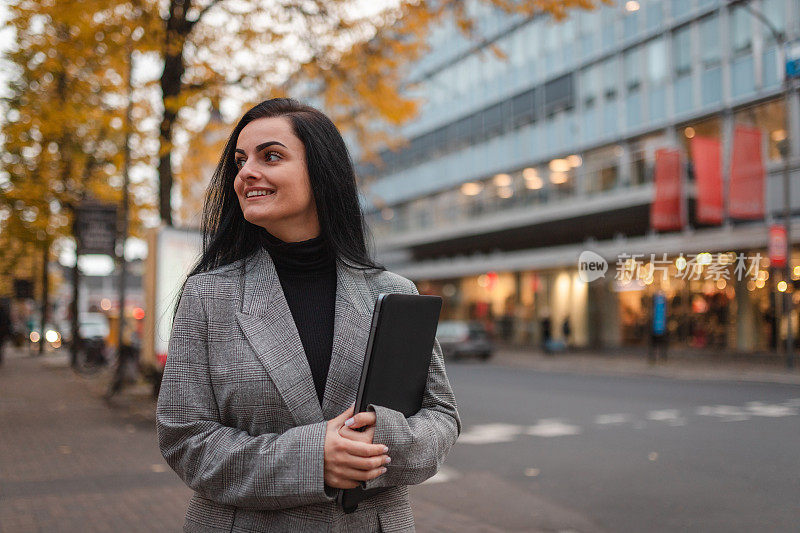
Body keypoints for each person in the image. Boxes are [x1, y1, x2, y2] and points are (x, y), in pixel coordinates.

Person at [156, 98, 461, 532]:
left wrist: (381, 441)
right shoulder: (209, 295)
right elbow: (184, 439)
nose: (246, 173)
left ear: (321, 173)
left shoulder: (393, 293)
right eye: (240, 161)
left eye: (271, 156)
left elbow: (441, 418)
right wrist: (312, 459)